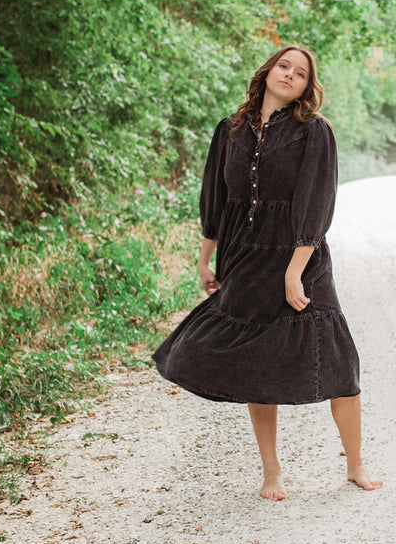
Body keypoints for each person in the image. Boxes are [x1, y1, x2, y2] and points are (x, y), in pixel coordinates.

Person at [152, 45, 381, 500]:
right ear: (268, 70)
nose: (290, 75)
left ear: (306, 86)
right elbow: (215, 199)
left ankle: (355, 464)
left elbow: (316, 203)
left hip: (300, 258)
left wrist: (294, 271)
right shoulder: (229, 131)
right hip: (243, 257)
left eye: (300, 73)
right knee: (257, 360)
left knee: (339, 362)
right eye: (284, 66)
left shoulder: (313, 132)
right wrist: (205, 257)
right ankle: (271, 472)